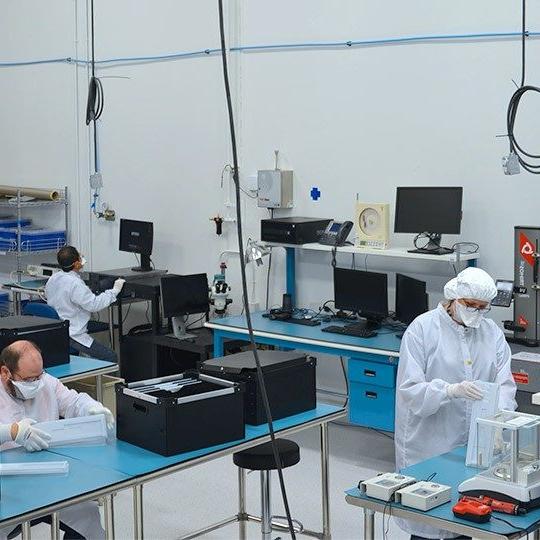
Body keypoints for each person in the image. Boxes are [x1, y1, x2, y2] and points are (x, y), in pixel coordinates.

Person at [395, 267, 517, 540]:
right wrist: (449, 390)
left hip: (475, 444)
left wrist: (502, 418)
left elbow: (505, 383)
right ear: (453, 299)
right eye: (470, 305)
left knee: (466, 513)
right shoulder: (422, 329)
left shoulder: (491, 333)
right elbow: (410, 391)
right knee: (428, 515)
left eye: (482, 308)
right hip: (430, 439)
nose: (476, 312)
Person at [0, 340, 113, 539]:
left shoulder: (46, 382)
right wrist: (12, 431)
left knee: (88, 514)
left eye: (38, 376)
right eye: (27, 379)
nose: (35, 384)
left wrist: (93, 408)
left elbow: (74, 401)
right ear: (5, 373)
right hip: (7, 487)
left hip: (52, 478)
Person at [45, 246, 125, 362]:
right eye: (79, 256)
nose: (82, 258)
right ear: (77, 264)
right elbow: (94, 305)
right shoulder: (75, 283)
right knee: (110, 356)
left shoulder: (54, 278)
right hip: (72, 334)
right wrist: (114, 291)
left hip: (58, 330)